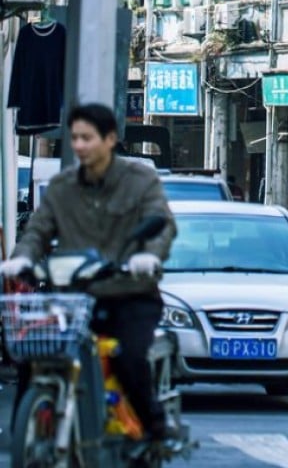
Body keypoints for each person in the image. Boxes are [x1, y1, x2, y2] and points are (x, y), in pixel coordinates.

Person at [0, 104, 178, 442]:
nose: (79, 145)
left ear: (109, 139)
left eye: (88, 138)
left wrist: (147, 257)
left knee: (128, 360)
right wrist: (21, 258)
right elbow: (38, 231)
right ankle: (29, 435)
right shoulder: (63, 186)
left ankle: (154, 426)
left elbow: (161, 225)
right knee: (35, 353)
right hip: (76, 298)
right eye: (75, 138)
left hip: (130, 295)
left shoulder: (140, 181)